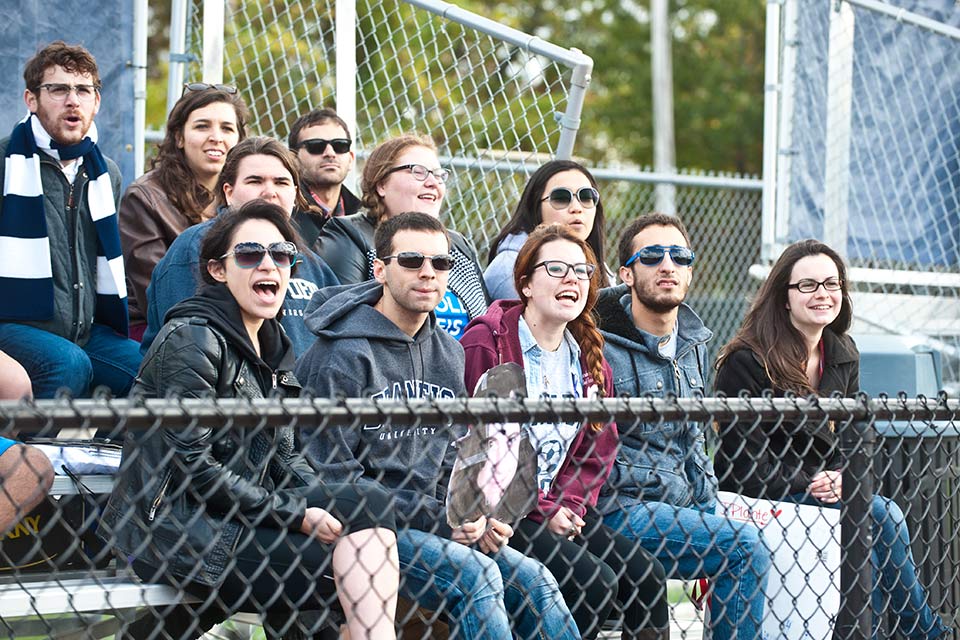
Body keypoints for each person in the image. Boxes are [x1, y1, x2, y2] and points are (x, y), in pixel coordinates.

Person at [102, 201, 399, 640]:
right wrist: (298, 515)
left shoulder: (272, 346)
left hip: (236, 517)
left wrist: (320, 503)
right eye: (249, 254)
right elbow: (194, 469)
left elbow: (284, 456)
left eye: (280, 254)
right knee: (355, 561)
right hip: (175, 529)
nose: (268, 264)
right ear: (219, 270)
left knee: (371, 509)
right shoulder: (193, 338)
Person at [297, 212, 579, 640]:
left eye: (440, 263)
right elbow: (336, 476)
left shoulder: (448, 352)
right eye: (411, 261)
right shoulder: (342, 353)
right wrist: (441, 520)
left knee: (536, 580)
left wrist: (479, 513)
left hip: (433, 520)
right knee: (478, 577)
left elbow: (454, 454)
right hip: (371, 531)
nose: (428, 273)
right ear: (380, 269)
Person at [714, 238, 950, 639]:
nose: (822, 293)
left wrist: (844, 476)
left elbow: (847, 447)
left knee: (870, 532)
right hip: (763, 496)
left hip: (823, 493)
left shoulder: (842, 351)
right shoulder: (747, 361)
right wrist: (812, 480)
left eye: (831, 283)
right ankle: (926, 632)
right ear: (784, 298)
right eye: (807, 285)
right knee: (881, 514)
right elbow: (743, 468)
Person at [462, 224, 669, 639]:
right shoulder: (488, 343)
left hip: (554, 505)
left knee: (646, 574)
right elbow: (471, 447)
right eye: (556, 269)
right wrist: (542, 509)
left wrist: (566, 504)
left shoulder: (588, 358)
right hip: (495, 509)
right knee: (593, 582)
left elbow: (596, 450)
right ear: (525, 283)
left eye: (581, 270)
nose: (572, 278)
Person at [595, 213, 770, 639]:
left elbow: (694, 442)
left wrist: (708, 508)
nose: (667, 265)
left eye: (679, 256)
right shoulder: (599, 344)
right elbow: (594, 449)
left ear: (690, 269)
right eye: (652, 256)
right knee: (745, 548)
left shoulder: (693, 342)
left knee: (764, 539)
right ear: (627, 273)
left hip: (681, 506)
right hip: (620, 509)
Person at [0, 41, 141, 399]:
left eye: (83, 90)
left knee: (151, 369)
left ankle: (102, 455)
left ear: (97, 101)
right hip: (12, 325)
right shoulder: (5, 162)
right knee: (67, 364)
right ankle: (28, 455)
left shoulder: (104, 172)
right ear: (31, 100)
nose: (72, 100)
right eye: (58, 89)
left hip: (82, 328)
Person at [140, 136, 339, 357]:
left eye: (281, 182)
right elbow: (185, 348)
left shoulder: (314, 265)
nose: (269, 192)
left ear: (294, 194)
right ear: (228, 192)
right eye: (255, 181)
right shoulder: (196, 247)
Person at [316, 133, 488, 339]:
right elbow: (343, 321)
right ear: (381, 184)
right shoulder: (350, 236)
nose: (433, 182)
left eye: (438, 174)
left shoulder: (458, 245)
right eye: (419, 172)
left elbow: (485, 322)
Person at [119, 83, 248, 340]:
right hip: (154, 329)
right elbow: (160, 297)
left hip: (231, 325)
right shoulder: (145, 197)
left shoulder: (242, 196)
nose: (216, 137)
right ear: (179, 137)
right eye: (202, 126)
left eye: (227, 128)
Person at [485, 160, 612, 301]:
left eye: (586, 197)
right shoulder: (508, 268)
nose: (577, 208)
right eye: (561, 198)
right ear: (535, 207)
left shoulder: (599, 267)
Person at [288, 107, 361, 247]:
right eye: (316, 146)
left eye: (340, 146)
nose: (330, 153)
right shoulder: (285, 213)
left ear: (351, 158)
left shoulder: (366, 215)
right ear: (293, 159)